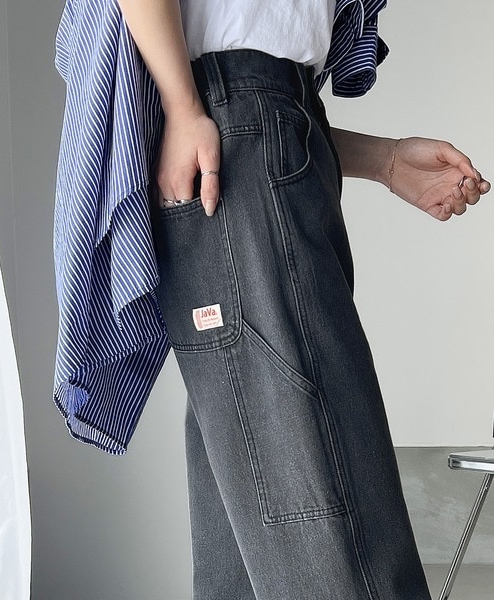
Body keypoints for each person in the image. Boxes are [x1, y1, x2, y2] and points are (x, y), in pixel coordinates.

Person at [53, 1, 490, 599]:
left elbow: (263, 82)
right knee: (330, 508)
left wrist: (385, 161)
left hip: (281, 135)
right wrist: (183, 106)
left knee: (261, 523)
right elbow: (234, 80)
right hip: (235, 151)